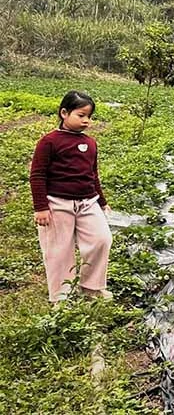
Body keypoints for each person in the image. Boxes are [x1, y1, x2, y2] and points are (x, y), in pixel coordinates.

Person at [31, 91, 113, 303]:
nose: (86, 120)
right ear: (64, 113)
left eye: (89, 116)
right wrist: (41, 207)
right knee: (59, 251)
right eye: (81, 115)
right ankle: (60, 297)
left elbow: (93, 175)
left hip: (88, 202)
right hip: (57, 203)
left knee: (102, 239)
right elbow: (37, 175)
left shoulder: (91, 143)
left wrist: (102, 202)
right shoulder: (49, 142)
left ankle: (91, 287)